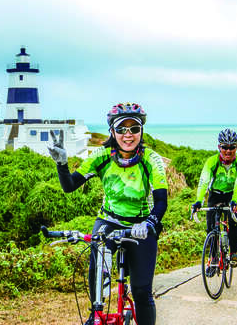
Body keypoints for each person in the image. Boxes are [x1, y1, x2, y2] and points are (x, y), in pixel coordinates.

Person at [47, 102, 168, 325]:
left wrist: (150, 221)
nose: (128, 135)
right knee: (96, 280)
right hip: (108, 222)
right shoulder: (101, 156)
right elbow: (70, 186)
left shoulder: (151, 159)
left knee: (142, 292)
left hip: (141, 226)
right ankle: (96, 314)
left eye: (134, 128)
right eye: (121, 129)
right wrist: (62, 164)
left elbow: (161, 200)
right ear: (112, 131)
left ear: (142, 131)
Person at [191, 128, 237, 270]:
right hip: (215, 194)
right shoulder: (212, 162)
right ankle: (213, 258)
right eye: (224, 147)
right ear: (219, 147)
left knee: (234, 222)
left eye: (232, 147)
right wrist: (199, 201)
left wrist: (235, 200)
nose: (228, 151)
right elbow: (204, 181)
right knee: (211, 227)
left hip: (233, 193)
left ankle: (233, 253)